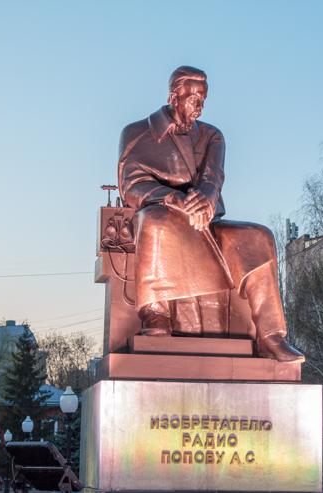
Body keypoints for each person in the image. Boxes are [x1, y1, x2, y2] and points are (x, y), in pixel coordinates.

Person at [118, 66, 304, 363]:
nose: (200, 106)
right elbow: (131, 185)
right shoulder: (137, 133)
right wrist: (175, 199)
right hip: (162, 210)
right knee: (154, 222)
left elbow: (213, 178)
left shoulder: (212, 136)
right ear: (174, 97)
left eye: (203, 99)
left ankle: (271, 336)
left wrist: (205, 199)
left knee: (258, 236)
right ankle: (156, 315)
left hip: (205, 219)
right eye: (194, 99)